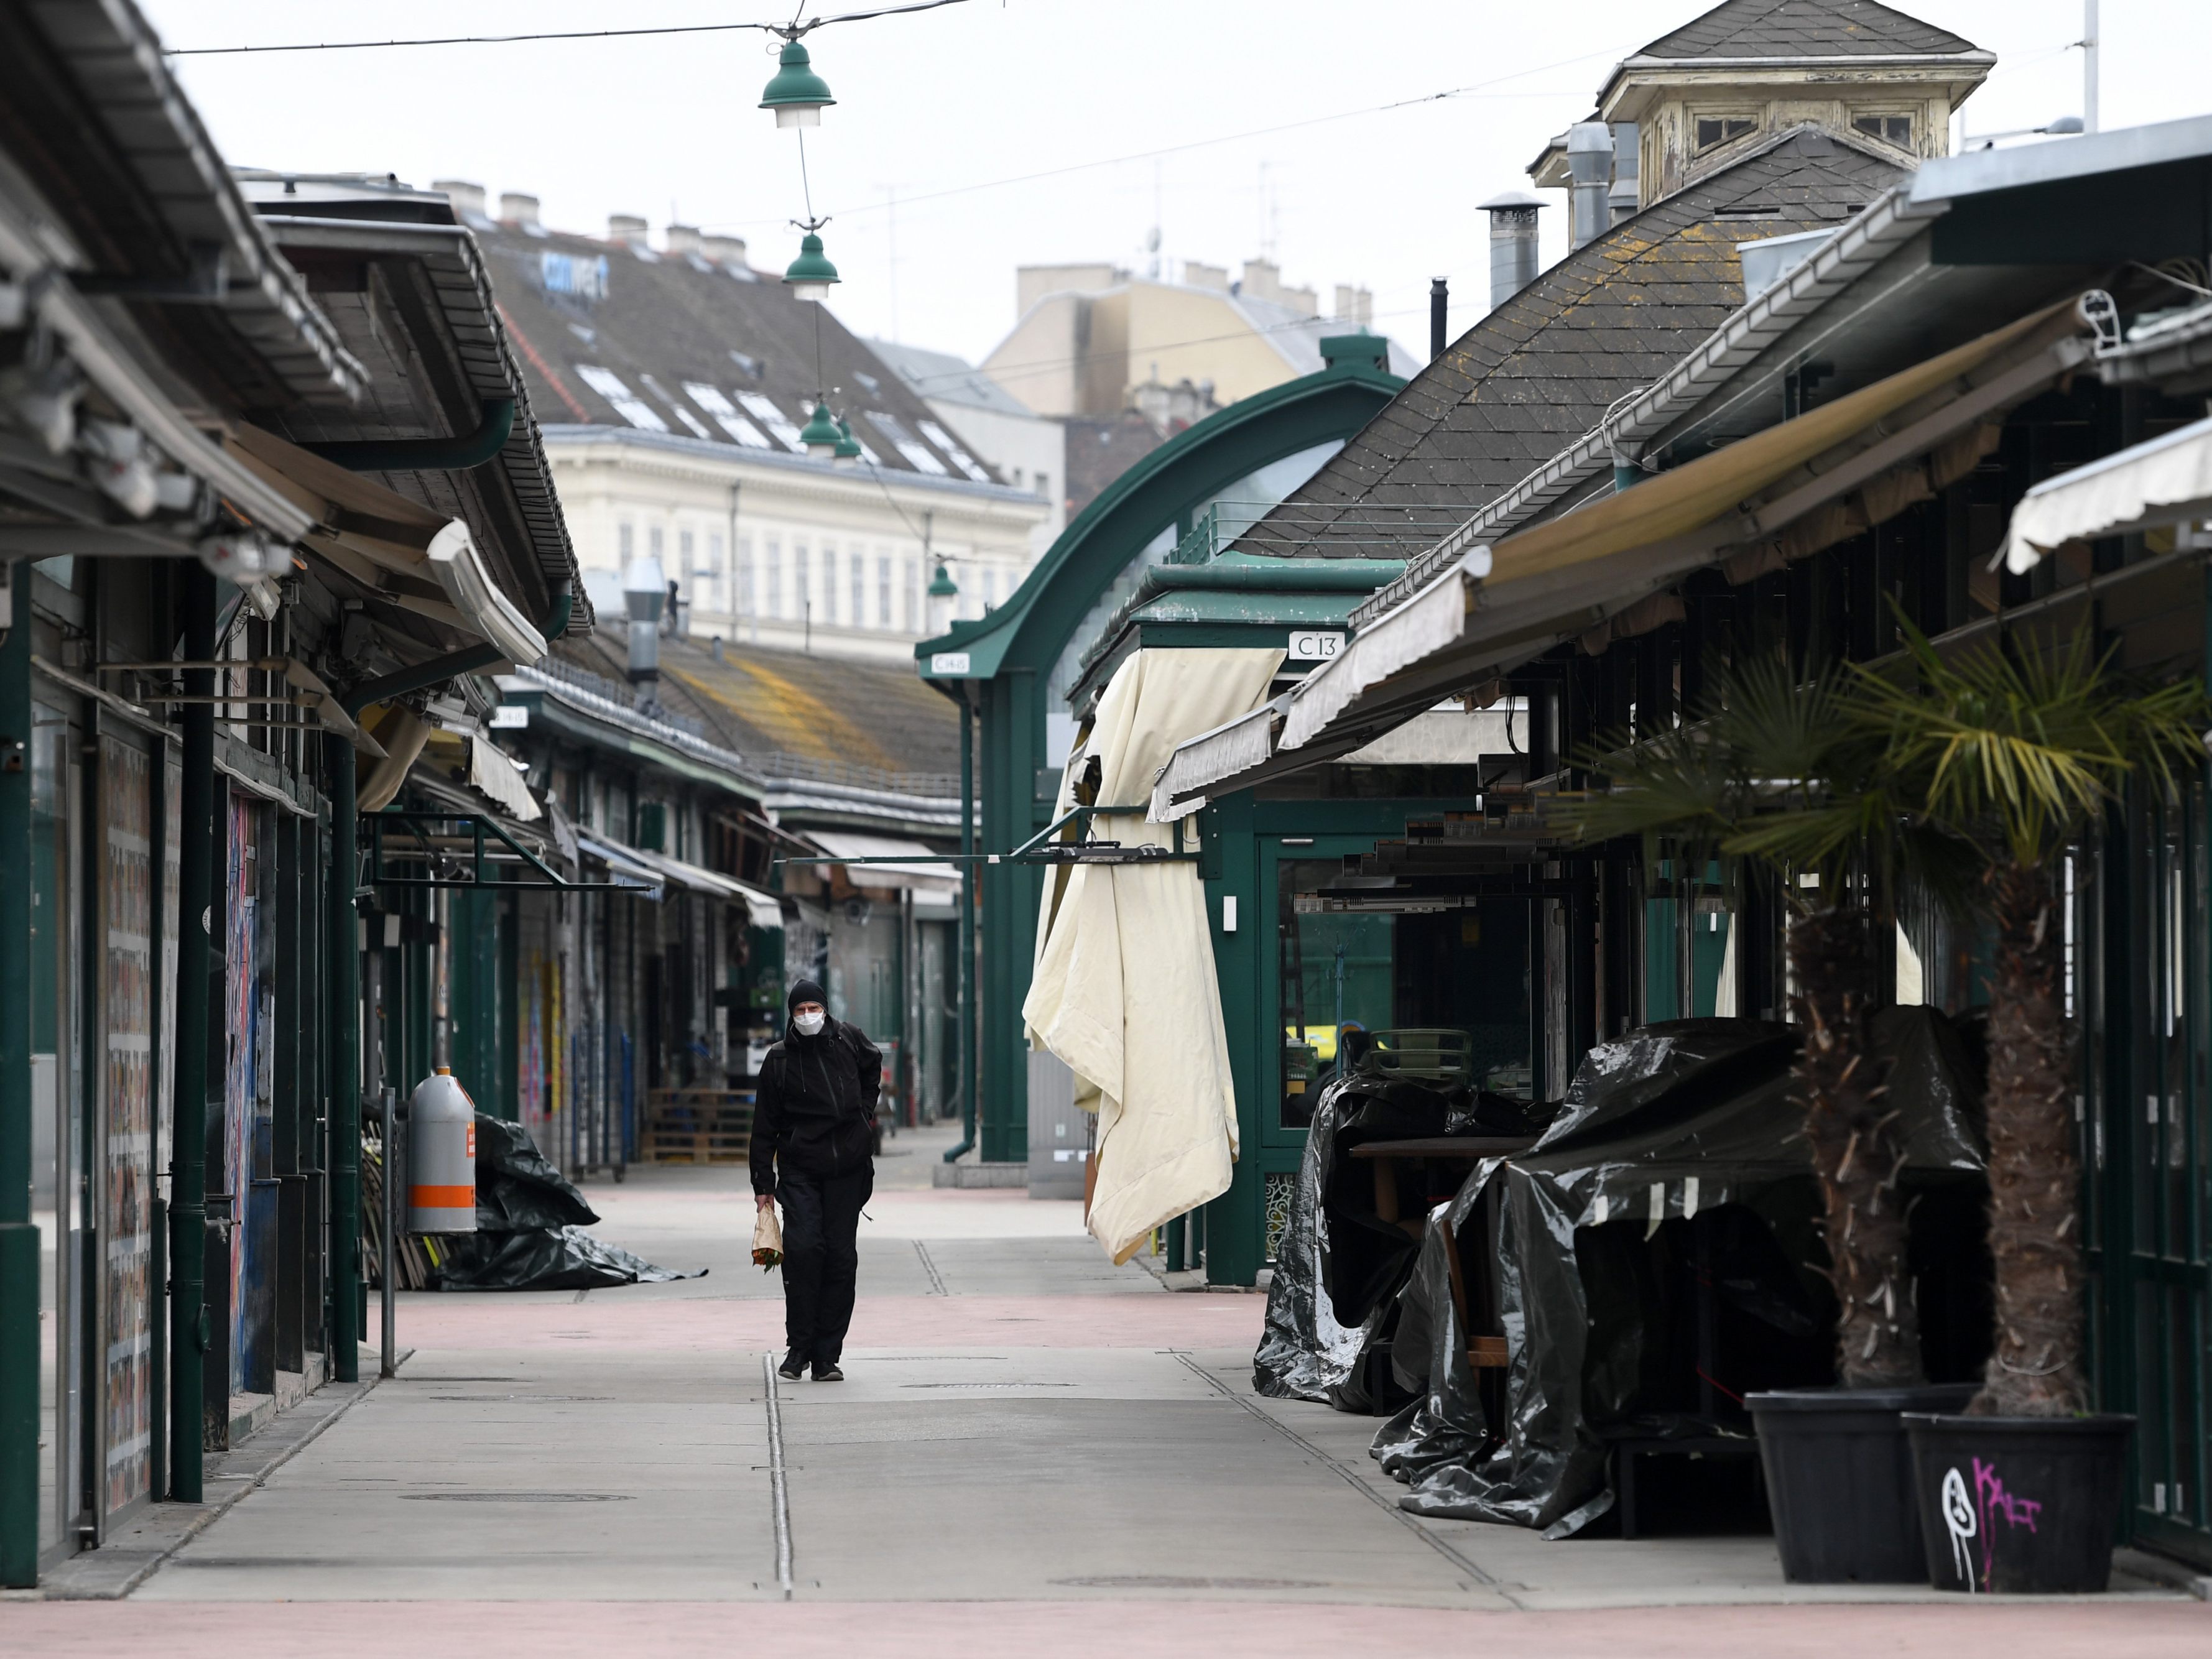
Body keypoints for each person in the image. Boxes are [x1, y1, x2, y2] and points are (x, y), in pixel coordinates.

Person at [750, 978, 881, 1382]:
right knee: (805, 1251)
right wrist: (763, 1187)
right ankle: (798, 1348)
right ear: (791, 1015)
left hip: (847, 1170)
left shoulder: (849, 1040)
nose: (808, 1015)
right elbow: (763, 1126)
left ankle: (827, 1356)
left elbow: (873, 1066)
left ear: (824, 1009)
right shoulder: (779, 1060)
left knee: (840, 1260)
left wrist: (863, 1114)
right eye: (800, 1009)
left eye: (813, 1007)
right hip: (800, 1170)